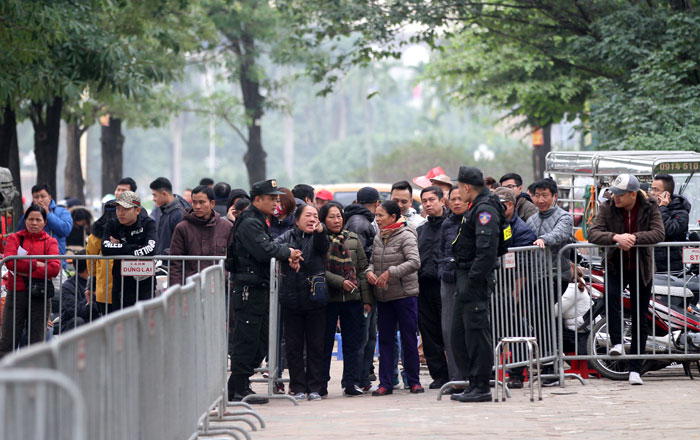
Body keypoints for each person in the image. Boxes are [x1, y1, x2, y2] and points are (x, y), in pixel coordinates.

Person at [227, 179, 302, 404]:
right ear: (257, 200)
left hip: (259, 288)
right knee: (247, 341)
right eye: (271, 199)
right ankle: (237, 388)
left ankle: (243, 384)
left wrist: (287, 254)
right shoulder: (250, 222)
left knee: (260, 341)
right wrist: (287, 252)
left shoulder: (259, 220)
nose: (276, 203)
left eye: (277, 198)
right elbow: (264, 250)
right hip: (249, 289)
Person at [588, 174, 665, 386]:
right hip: (615, 265)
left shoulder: (650, 205)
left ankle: (635, 369)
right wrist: (615, 238)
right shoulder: (607, 206)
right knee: (611, 298)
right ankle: (617, 342)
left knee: (640, 315)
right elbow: (593, 233)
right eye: (614, 192)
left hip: (641, 268)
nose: (616, 197)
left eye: (621, 194)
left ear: (633, 194)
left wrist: (633, 238)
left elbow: (659, 233)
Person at [450, 166, 505, 403]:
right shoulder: (478, 207)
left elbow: (487, 252)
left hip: (474, 279)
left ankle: (481, 385)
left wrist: (472, 280)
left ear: (466, 187)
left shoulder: (484, 209)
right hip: (466, 276)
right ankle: (473, 382)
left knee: (476, 333)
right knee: (460, 334)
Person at [366, 200, 424, 396]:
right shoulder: (378, 237)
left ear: (393, 217)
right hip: (383, 297)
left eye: (381, 215)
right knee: (385, 340)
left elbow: (414, 262)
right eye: (376, 215)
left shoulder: (406, 235)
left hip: (404, 295)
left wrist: (391, 272)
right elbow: (372, 262)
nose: (378, 219)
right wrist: (370, 273)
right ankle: (386, 383)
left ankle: (414, 381)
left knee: (408, 338)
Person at [274, 204, 329, 401]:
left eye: (315, 215)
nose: (312, 219)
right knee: (294, 346)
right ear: (297, 220)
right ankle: (297, 387)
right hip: (292, 297)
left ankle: (314, 386)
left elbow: (324, 247)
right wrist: (289, 253)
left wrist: (321, 231)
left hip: (316, 297)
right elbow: (274, 248)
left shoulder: (320, 235)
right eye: (307, 215)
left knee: (316, 345)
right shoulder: (287, 236)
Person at [319, 202, 370, 397]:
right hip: (327, 299)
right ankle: (321, 382)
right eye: (331, 216)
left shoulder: (353, 239)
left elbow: (363, 270)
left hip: (352, 298)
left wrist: (367, 299)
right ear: (323, 219)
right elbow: (317, 269)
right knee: (324, 342)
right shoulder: (319, 240)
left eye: (339, 216)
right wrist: (340, 282)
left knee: (353, 343)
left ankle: (351, 382)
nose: (336, 220)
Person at [0, 205, 60, 357]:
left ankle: (32, 377)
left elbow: (54, 268)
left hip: (40, 295)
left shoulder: (50, 242)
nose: (34, 223)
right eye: (30, 219)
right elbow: (10, 262)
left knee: (35, 342)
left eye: (38, 219)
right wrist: (37, 264)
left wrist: (23, 269)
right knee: (8, 340)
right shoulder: (15, 238)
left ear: (44, 222)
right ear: (25, 220)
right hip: (16, 294)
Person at [343, 186, 380, 390]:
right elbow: (358, 262)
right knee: (362, 336)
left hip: (362, 287)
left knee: (367, 336)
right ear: (376, 204)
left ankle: (362, 378)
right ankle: (357, 379)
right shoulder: (360, 223)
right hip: (360, 288)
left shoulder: (356, 220)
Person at [101, 191, 157, 310]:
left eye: (125, 209)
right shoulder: (112, 224)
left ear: (137, 210)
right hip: (120, 283)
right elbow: (105, 248)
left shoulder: (148, 223)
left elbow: (151, 248)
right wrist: (135, 247)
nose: (120, 213)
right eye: (118, 208)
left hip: (145, 283)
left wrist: (120, 247)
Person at [416, 186, 449, 389]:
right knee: (428, 332)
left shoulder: (452, 225)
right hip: (422, 286)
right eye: (424, 201)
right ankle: (439, 375)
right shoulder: (420, 230)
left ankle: (455, 372)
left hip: (444, 285)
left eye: (431, 200)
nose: (428, 204)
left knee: (448, 331)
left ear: (441, 200)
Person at [169, 185, 233, 286]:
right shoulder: (182, 228)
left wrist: (226, 279)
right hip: (191, 287)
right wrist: (176, 291)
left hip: (220, 287)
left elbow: (233, 260)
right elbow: (175, 263)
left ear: (212, 203)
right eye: (194, 202)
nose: (197, 206)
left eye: (202, 202)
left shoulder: (226, 227)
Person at [437, 186, 466, 388]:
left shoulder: (472, 222)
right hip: (448, 280)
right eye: (452, 199)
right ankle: (455, 378)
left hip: (468, 280)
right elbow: (440, 251)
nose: (456, 202)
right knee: (448, 330)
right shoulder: (446, 224)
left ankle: (473, 376)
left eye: (460, 198)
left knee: (468, 329)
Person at [526, 178, 574, 294]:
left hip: (556, 276)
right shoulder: (531, 219)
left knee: (540, 310)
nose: (540, 200)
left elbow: (559, 233)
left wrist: (543, 239)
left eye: (544, 195)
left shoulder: (565, 217)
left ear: (555, 196)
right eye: (537, 195)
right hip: (535, 276)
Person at [650, 174, 690, 273]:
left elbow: (668, 230)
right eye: (651, 189)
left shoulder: (681, 212)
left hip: (671, 268)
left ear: (666, 194)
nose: (652, 193)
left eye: (656, 190)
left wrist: (663, 207)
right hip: (652, 265)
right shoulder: (651, 208)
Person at [19, 184, 72, 257]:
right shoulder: (28, 212)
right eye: (36, 197)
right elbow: (20, 232)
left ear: (49, 197)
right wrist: (26, 216)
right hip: (32, 260)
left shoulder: (62, 211)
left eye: (43, 196)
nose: (39, 200)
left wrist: (48, 214)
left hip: (56, 258)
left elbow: (65, 230)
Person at [86, 202, 117, 315]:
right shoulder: (125, 230)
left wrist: (91, 284)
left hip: (103, 289)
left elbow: (91, 262)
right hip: (125, 288)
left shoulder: (94, 236)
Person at [59, 252, 101, 333]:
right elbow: (77, 312)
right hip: (72, 327)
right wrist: (91, 296)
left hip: (93, 322)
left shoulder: (99, 282)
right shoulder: (67, 286)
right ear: (89, 267)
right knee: (78, 321)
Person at [150, 177, 190, 255]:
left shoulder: (179, 213)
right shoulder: (161, 209)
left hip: (172, 263)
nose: (153, 199)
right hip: (162, 261)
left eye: (155, 195)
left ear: (164, 194)